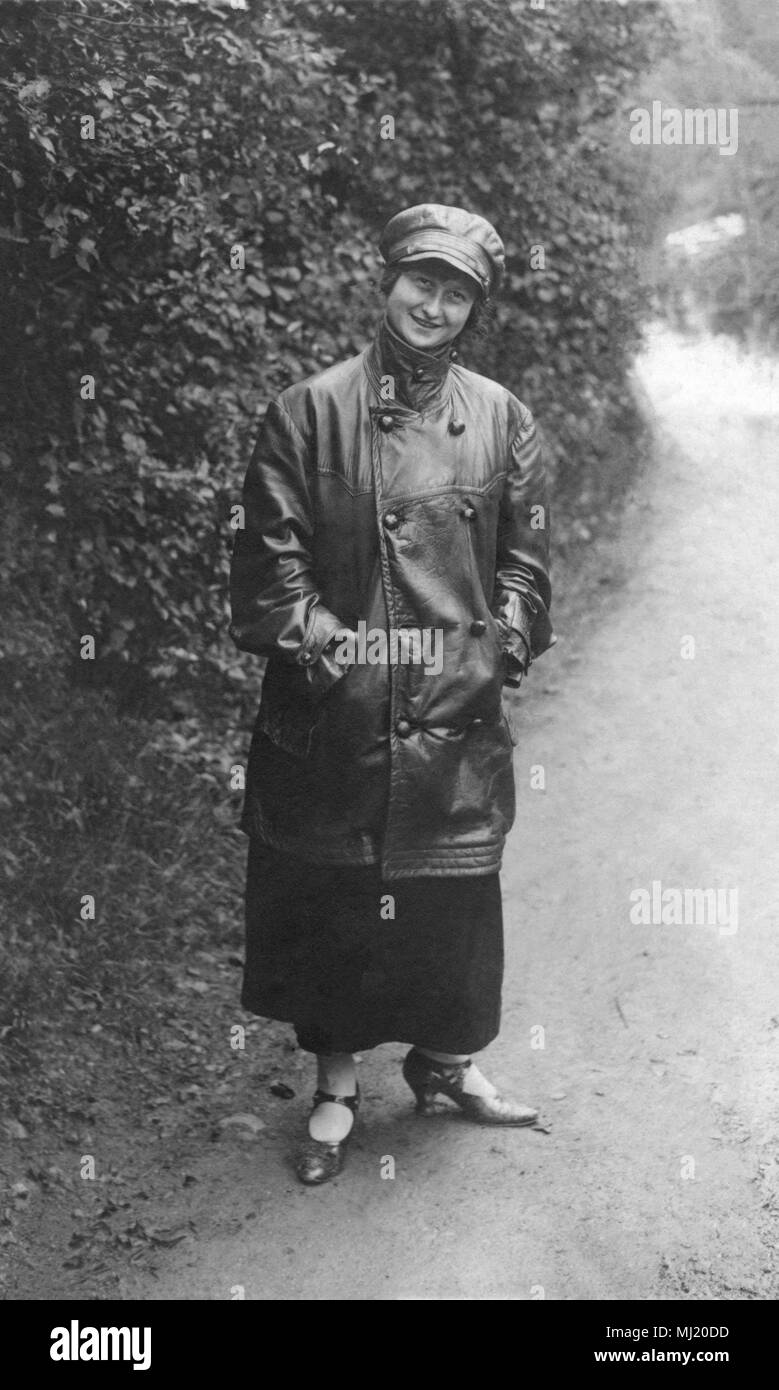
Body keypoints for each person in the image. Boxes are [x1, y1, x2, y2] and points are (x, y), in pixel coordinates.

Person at [229, 203, 555, 1185]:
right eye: (422, 279)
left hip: (455, 720)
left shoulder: (500, 417)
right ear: (387, 280)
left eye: (455, 291)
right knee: (334, 902)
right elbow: (266, 588)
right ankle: (333, 1089)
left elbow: (527, 570)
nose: (433, 302)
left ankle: (445, 1062)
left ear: (471, 309)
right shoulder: (305, 412)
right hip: (336, 723)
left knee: (447, 908)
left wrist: (493, 646)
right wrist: (354, 665)